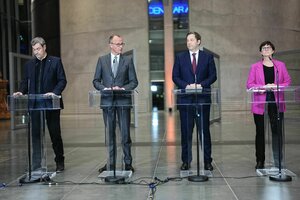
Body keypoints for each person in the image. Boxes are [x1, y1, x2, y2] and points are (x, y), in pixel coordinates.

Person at [13, 37, 67, 172]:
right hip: (35, 105)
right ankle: (36, 163)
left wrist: (54, 92)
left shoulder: (55, 62)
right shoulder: (29, 65)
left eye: (38, 49)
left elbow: (62, 81)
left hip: (51, 104)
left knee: (55, 134)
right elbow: (25, 82)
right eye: (34, 50)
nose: (36, 52)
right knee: (36, 135)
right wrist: (20, 91)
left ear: (44, 47)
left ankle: (60, 161)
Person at [93, 34, 138, 173]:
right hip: (107, 102)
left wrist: (123, 88)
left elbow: (134, 82)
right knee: (110, 134)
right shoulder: (102, 60)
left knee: (125, 135)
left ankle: (128, 163)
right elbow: (96, 81)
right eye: (118, 44)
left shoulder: (128, 60)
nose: (121, 46)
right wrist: (104, 88)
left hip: (123, 101)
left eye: (122, 44)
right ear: (111, 45)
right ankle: (110, 163)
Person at [172, 31, 217, 171]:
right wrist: (186, 86)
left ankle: (207, 161)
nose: (189, 42)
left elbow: (213, 76)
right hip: (185, 101)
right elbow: (175, 76)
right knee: (186, 132)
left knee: (204, 132)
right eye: (187, 40)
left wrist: (201, 85)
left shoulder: (207, 57)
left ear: (198, 41)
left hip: (202, 99)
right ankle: (186, 161)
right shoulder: (180, 57)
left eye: (191, 40)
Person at [246, 41, 291, 169]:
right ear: (260, 52)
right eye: (263, 48)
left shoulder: (280, 66)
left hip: (276, 102)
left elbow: (287, 82)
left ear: (273, 51)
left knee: (277, 132)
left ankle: (278, 160)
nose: (266, 49)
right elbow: (249, 84)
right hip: (260, 103)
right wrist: (263, 87)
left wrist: (276, 87)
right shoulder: (255, 67)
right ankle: (260, 160)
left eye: (268, 48)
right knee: (260, 132)